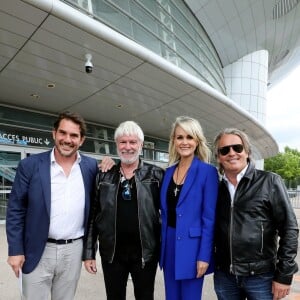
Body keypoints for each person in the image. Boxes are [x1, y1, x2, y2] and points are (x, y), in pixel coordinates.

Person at [6, 111, 98, 300]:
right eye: (63, 133)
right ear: (54, 134)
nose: (67, 139)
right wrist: (15, 250)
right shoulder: (30, 165)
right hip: (37, 249)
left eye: (74, 135)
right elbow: (15, 209)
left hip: (73, 251)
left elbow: (96, 210)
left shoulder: (91, 167)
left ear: (81, 140)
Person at [213, 128, 299, 300]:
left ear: (247, 152)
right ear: (218, 157)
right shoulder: (215, 188)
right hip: (225, 276)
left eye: (237, 148)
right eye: (224, 150)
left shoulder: (270, 181)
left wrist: (284, 274)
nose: (231, 153)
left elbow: (289, 229)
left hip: (261, 277)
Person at [83, 120, 164, 300]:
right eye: (123, 142)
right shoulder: (104, 175)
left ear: (141, 145)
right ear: (116, 145)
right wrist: (89, 253)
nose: (128, 147)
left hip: (145, 253)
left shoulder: (156, 175)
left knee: (145, 296)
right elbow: (93, 216)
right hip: (112, 253)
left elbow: (168, 213)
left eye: (132, 142)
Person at [159, 116, 219, 300]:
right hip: (169, 245)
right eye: (180, 137)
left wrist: (204, 256)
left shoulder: (207, 172)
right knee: (171, 297)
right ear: (173, 141)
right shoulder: (168, 172)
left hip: (193, 249)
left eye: (189, 137)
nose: (184, 142)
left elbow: (209, 219)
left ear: (197, 141)